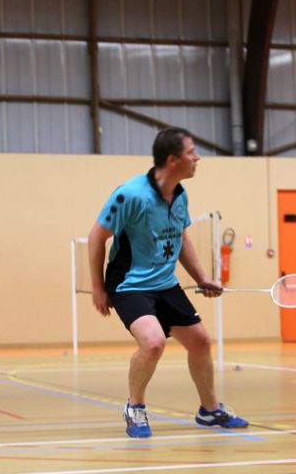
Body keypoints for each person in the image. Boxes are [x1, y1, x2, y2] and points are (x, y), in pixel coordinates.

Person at [88, 126, 248, 438]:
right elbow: (96, 237)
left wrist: (201, 278)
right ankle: (135, 407)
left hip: (166, 283)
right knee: (153, 342)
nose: (197, 158)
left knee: (200, 341)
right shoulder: (130, 195)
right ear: (173, 159)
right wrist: (97, 287)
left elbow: (181, 237)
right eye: (191, 153)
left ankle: (210, 410)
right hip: (130, 284)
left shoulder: (180, 195)